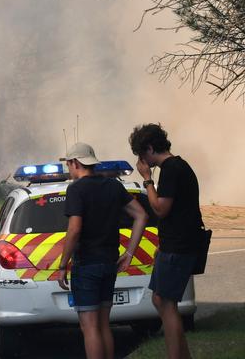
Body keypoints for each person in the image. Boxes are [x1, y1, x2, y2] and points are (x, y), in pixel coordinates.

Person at [57, 142, 148, 359]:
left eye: (68, 164)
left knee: (89, 328)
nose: (68, 170)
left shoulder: (76, 189)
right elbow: (141, 215)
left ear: (75, 163)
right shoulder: (113, 186)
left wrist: (63, 265)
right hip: (109, 263)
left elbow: (75, 229)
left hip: (87, 264)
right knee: (103, 325)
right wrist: (129, 253)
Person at [129, 123, 202, 359]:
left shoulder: (170, 169)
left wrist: (148, 180)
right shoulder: (178, 167)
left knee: (166, 303)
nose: (141, 160)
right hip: (173, 244)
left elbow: (160, 209)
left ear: (150, 148)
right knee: (160, 299)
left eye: (141, 154)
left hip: (178, 246)